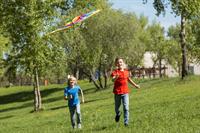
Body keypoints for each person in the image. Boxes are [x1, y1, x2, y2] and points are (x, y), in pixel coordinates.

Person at [111, 57, 140, 126]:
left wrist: (135, 85)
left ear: (123, 63)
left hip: (125, 92)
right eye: (118, 62)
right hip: (117, 92)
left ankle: (126, 122)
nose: (119, 63)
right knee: (117, 108)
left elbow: (129, 80)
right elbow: (112, 80)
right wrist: (116, 77)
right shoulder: (115, 72)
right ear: (116, 64)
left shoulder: (126, 72)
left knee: (126, 108)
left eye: (121, 62)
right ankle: (118, 114)